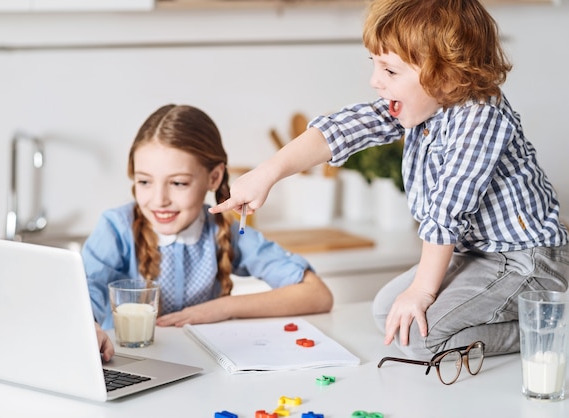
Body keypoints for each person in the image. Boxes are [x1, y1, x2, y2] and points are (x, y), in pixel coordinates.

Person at [210, 0, 569, 359]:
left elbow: (447, 212)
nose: (375, 81)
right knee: (388, 312)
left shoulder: (481, 119)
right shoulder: (428, 103)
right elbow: (343, 130)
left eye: (390, 71)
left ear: (446, 76)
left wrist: (422, 292)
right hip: (476, 254)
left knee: (419, 338)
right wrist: (266, 174)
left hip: (527, 260)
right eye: (375, 64)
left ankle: (553, 326)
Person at [83, 104, 333, 361]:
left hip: (205, 370)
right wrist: (87, 327)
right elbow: (81, 302)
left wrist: (223, 308)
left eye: (178, 183)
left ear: (214, 177)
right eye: (144, 181)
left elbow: (317, 295)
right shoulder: (116, 229)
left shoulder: (223, 231)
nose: (159, 200)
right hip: (131, 365)